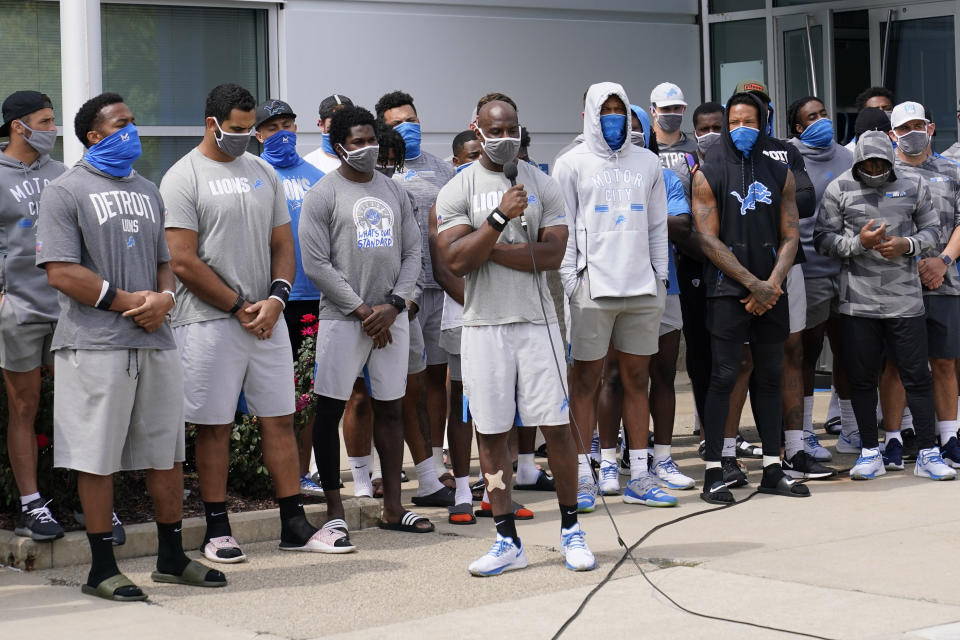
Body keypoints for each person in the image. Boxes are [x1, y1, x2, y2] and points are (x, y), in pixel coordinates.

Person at [37, 92, 226, 601]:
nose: (132, 131)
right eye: (121, 124)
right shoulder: (65, 191)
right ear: (94, 136)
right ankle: (102, 568)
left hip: (155, 339)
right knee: (96, 457)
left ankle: (170, 557)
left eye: (134, 122)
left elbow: (165, 260)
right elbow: (60, 270)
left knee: (165, 452)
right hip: (94, 344)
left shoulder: (146, 189)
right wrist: (126, 301)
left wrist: (163, 299)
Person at [162, 83, 327, 561]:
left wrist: (276, 298)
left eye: (248, 128)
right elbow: (183, 261)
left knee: (279, 417)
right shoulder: (182, 177)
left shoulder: (261, 172)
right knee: (213, 425)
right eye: (235, 129)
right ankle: (217, 528)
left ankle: (293, 522)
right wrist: (238, 307)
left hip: (266, 318)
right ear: (211, 123)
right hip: (209, 321)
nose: (243, 137)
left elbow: (283, 244)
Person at [437, 94, 595, 575]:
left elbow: (550, 256)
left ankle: (571, 530)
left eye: (512, 130)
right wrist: (502, 219)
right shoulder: (457, 188)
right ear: (476, 129)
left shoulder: (542, 183)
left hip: (537, 322)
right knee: (491, 431)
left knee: (555, 428)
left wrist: (487, 246)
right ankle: (507, 540)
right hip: (483, 325)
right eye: (496, 130)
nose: (505, 139)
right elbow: (457, 260)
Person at [299, 105, 434, 537]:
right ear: (339, 147)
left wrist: (394, 305)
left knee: (392, 409)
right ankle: (336, 510)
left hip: (391, 315)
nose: (366, 148)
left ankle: (394, 507)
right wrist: (361, 311)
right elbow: (316, 264)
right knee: (331, 409)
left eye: (370, 140)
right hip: (344, 319)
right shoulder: (323, 193)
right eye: (356, 142)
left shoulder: (393, 191)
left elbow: (413, 252)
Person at [554, 83, 672, 512]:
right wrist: (572, 282)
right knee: (585, 382)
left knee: (638, 380)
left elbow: (658, 227)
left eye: (619, 109)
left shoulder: (648, 163)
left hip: (642, 289)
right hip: (592, 290)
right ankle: (583, 477)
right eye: (605, 110)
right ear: (589, 113)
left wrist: (659, 279)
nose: (614, 117)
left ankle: (639, 476)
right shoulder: (571, 164)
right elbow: (562, 226)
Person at [814, 130, 956, 482]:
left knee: (917, 377)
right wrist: (859, 244)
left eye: (880, 164)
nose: (874, 170)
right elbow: (823, 240)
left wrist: (907, 245)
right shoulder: (839, 189)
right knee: (862, 380)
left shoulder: (912, 186)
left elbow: (934, 232)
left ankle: (926, 452)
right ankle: (868, 452)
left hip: (906, 301)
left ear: (891, 162)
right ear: (858, 162)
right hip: (857, 305)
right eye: (868, 164)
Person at [692, 92, 808, 503]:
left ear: (763, 123)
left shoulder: (780, 171)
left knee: (771, 377)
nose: (743, 128)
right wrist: (750, 284)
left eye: (751, 121)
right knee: (723, 375)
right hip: (728, 292)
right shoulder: (710, 170)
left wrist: (772, 284)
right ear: (726, 123)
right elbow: (706, 238)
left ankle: (774, 469)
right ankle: (713, 471)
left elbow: (790, 233)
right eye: (735, 121)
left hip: (772, 290)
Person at [375, 90, 458, 493]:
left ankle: (435, 456)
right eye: (396, 123)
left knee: (437, 376)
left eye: (412, 119)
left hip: (440, 289)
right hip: (400, 296)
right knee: (402, 381)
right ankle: (382, 465)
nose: (407, 127)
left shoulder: (444, 170)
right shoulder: (379, 171)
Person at [879, 102, 960, 470]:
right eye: (904, 127)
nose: (912, 132)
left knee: (943, 361)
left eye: (918, 125)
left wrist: (942, 261)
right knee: (897, 364)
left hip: (944, 279)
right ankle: (894, 439)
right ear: (892, 134)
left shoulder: (951, 170)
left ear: (930, 128)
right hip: (896, 284)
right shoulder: (881, 173)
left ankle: (949, 436)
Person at [0, 90, 65, 541]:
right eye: (44, 122)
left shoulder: (62, 175)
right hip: (18, 311)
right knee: (24, 407)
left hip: (66, 310)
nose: (52, 130)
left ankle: (89, 500)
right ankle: (30, 503)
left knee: (77, 406)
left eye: (52, 121)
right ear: (17, 126)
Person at [253, 98, 326, 497]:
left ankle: (302, 471)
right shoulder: (255, 174)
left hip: (312, 298)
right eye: (273, 126)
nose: (283, 132)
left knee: (305, 389)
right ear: (258, 134)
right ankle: (264, 471)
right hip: (268, 298)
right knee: (267, 387)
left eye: (289, 124)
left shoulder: (317, 176)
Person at [783, 96, 855, 478]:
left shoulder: (847, 156)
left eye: (824, 114)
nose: (821, 121)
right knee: (805, 353)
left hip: (846, 268)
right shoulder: (787, 155)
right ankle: (805, 432)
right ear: (798, 127)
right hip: (806, 269)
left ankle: (849, 429)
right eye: (812, 117)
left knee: (847, 350)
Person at [303, 94, 353, 173]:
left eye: (347, 121)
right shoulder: (308, 164)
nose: (341, 126)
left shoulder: (361, 160)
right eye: (335, 121)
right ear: (321, 124)